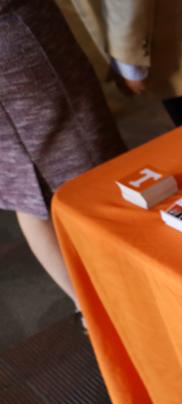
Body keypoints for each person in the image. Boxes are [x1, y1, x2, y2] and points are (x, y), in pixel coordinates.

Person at [1, 0, 126, 317]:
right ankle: (111, 298)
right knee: (91, 166)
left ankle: (87, 305)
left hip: (21, 37)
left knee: (27, 192)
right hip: (20, 44)